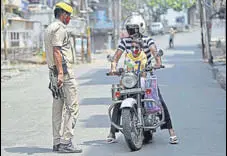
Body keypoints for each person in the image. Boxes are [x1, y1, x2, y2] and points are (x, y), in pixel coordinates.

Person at [106, 13, 178, 144]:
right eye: (129, 29)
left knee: (158, 100)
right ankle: (112, 132)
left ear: (140, 28)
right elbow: (116, 58)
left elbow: (156, 54)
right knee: (119, 100)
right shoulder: (124, 41)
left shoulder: (148, 40)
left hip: (145, 75)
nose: (131, 32)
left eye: (133, 29)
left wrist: (157, 63)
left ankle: (171, 132)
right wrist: (113, 68)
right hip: (130, 77)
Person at [44, 1, 82, 153]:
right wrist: (61, 73)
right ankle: (66, 143)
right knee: (72, 108)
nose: (70, 19)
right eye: (69, 16)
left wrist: (57, 73)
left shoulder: (49, 28)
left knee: (57, 109)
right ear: (63, 14)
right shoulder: (60, 28)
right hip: (63, 74)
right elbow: (57, 51)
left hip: (53, 73)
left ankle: (57, 142)